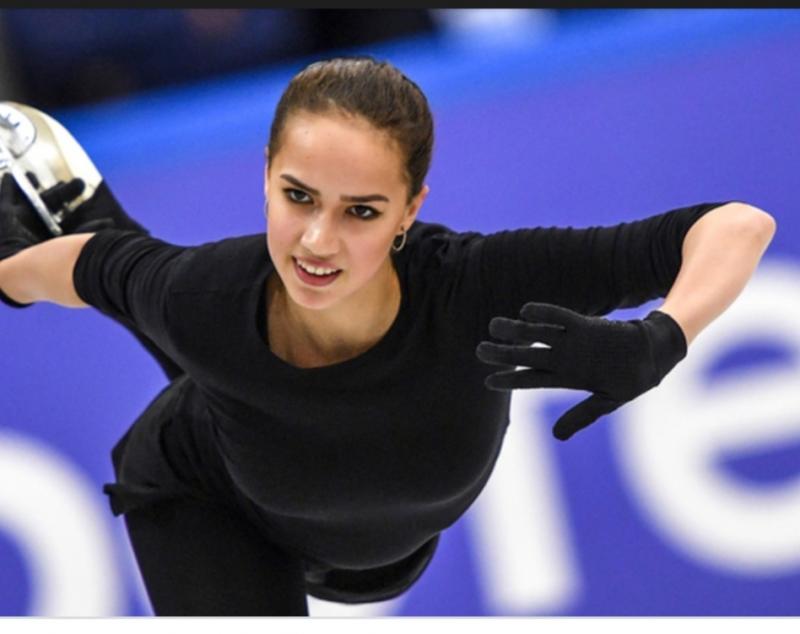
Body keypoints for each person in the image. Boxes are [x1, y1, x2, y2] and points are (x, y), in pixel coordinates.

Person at [0, 56, 776, 616]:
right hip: (211, 499)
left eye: (361, 211)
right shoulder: (201, 291)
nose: (318, 240)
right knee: (204, 336)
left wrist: (659, 339)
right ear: (266, 174)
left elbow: (735, 225)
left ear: (411, 209)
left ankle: (100, 224)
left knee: (224, 354)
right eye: (298, 196)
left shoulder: (477, 286)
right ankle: (85, 213)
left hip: (355, 524)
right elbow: (79, 269)